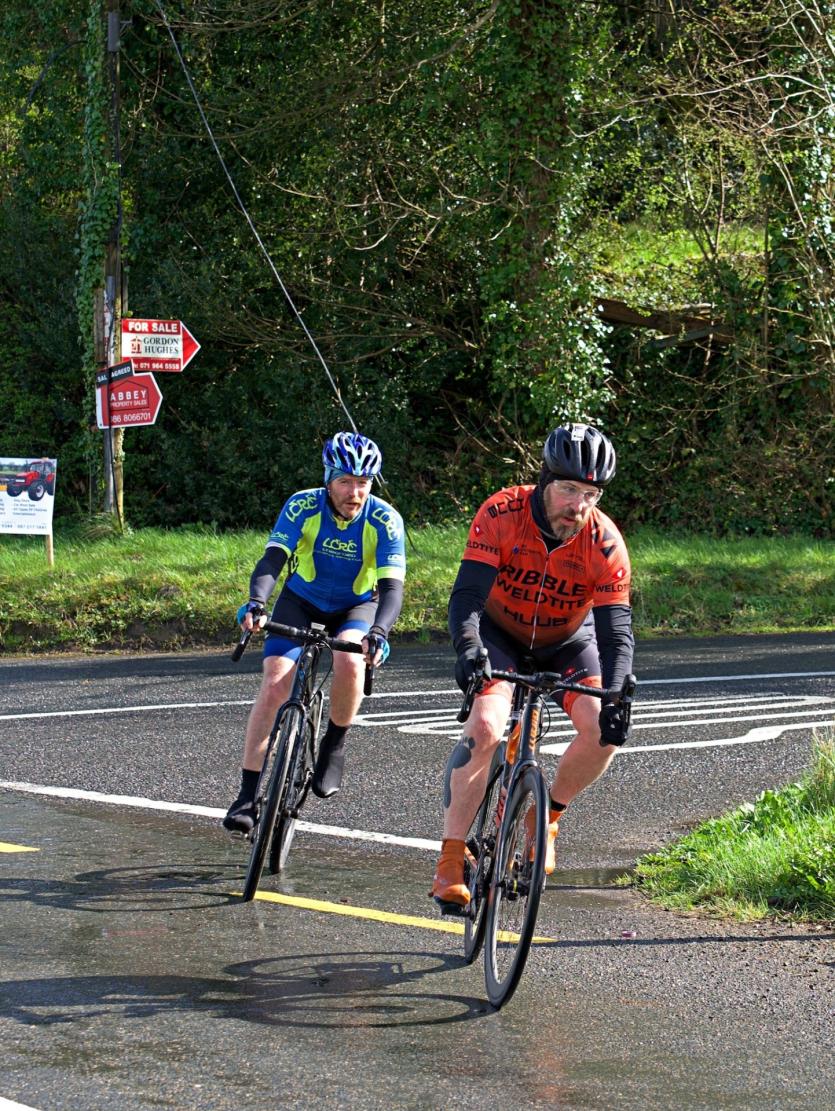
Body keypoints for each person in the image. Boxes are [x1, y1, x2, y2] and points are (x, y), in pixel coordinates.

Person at [431, 423, 634, 909]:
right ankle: (451, 859)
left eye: (591, 494)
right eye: (568, 489)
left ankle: (545, 818)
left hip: (567, 642)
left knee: (603, 732)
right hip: (500, 635)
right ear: (544, 480)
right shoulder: (501, 512)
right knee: (486, 725)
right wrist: (468, 648)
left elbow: (616, 633)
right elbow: (468, 596)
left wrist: (618, 693)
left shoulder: (605, 542)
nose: (578, 506)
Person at [223, 431, 406, 833]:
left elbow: (392, 588)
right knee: (275, 684)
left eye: (363, 482)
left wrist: (379, 631)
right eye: (345, 481)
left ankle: (334, 744)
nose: (354, 493)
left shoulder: (385, 520)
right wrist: (256, 602)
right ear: (328, 478)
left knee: (351, 661)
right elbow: (273, 559)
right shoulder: (302, 505)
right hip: (302, 599)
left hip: (356, 605)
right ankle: (247, 795)